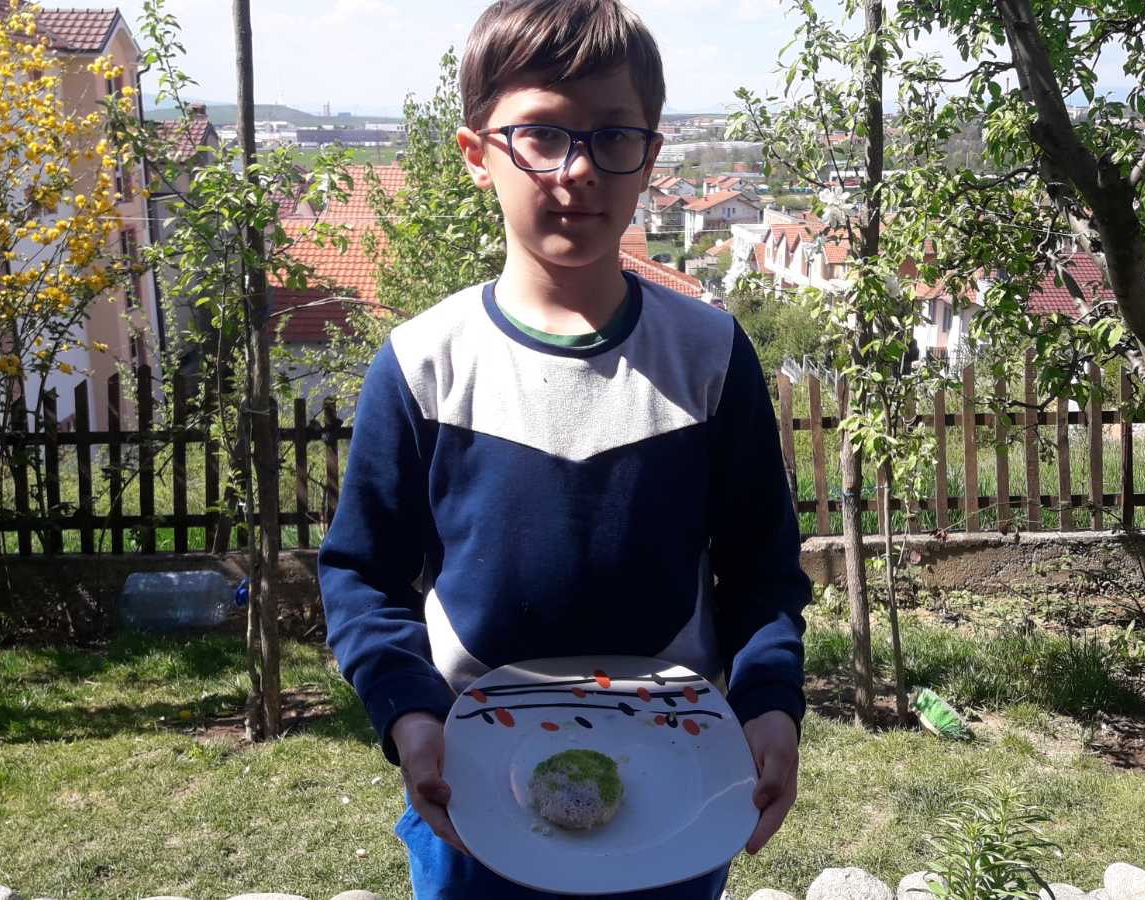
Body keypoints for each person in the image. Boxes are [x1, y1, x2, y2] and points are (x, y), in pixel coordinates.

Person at [318, 1, 810, 896]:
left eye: (612, 136)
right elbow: (361, 575)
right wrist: (409, 714)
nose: (578, 169)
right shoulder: (423, 365)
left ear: (650, 156)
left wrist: (769, 698)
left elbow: (761, 567)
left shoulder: (709, 356)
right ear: (477, 154)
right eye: (541, 135)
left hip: (680, 787)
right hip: (470, 794)